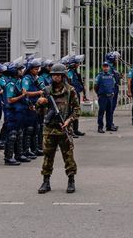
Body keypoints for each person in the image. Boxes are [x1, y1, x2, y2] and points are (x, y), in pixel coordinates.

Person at [35, 63, 80, 194]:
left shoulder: (70, 90)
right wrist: (40, 103)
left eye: (58, 75)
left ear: (63, 76)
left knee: (68, 157)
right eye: (53, 75)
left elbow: (77, 110)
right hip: (49, 129)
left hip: (64, 128)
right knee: (48, 157)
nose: (55, 77)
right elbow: (39, 111)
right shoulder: (47, 91)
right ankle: (46, 181)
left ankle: (71, 180)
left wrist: (69, 120)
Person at [1, 62, 26, 165]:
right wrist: (22, 95)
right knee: (12, 135)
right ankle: (8, 157)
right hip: (12, 112)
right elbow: (10, 100)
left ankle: (18, 154)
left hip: (19, 112)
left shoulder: (18, 82)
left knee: (19, 134)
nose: (21, 71)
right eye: (19, 70)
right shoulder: (10, 84)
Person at [22, 58, 45, 158]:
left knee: (37, 128)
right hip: (29, 105)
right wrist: (38, 93)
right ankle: (26, 150)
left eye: (38, 69)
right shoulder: (26, 79)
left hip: (37, 105)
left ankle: (35, 148)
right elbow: (25, 92)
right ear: (30, 69)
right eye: (35, 69)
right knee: (29, 129)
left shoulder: (37, 78)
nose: (37, 70)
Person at [94, 61, 119, 133]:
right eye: (104, 66)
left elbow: (113, 85)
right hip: (103, 97)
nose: (105, 68)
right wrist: (99, 93)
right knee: (101, 112)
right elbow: (95, 86)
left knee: (109, 112)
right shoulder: (99, 76)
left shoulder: (111, 76)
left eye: (107, 66)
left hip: (110, 97)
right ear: (102, 67)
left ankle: (109, 126)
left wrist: (112, 93)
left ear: (108, 67)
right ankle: (100, 127)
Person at [66, 55, 86, 137]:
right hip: (72, 94)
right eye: (77, 63)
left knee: (76, 111)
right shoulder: (70, 72)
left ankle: (76, 129)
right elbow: (69, 83)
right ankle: (71, 131)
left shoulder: (74, 72)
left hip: (76, 93)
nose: (78, 64)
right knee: (71, 112)